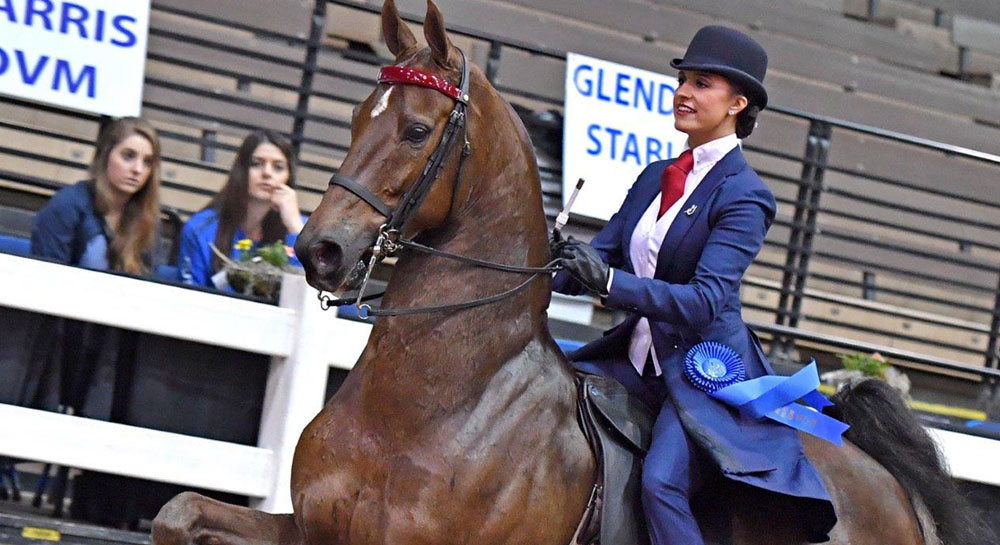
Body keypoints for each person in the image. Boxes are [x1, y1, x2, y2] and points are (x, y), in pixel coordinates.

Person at [552, 26, 836, 544]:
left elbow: (703, 302)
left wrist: (608, 282)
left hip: (704, 374)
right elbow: (602, 255)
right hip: (634, 358)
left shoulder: (746, 195)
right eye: (682, 80)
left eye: (701, 84)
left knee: (661, 484)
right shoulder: (655, 175)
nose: (683, 92)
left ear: (737, 104)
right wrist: (552, 260)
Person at [31, 117, 162, 274]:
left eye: (147, 162)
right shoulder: (66, 205)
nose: (138, 169)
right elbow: (46, 277)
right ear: (105, 155)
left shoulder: (149, 220)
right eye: (128, 156)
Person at [179, 130, 304, 288]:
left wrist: (295, 230)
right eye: (256, 164)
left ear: (288, 177)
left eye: (278, 167)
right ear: (241, 171)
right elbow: (189, 294)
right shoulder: (200, 227)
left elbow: (311, 291)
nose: (267, 173)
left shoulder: (303, 229)